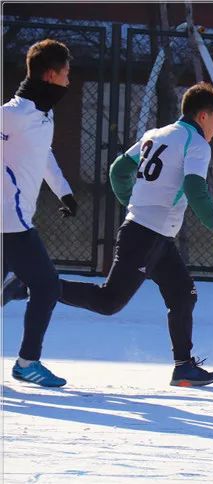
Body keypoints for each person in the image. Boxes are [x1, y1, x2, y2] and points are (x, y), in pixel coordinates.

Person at [57, 82, 213, 387]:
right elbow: (194, 188)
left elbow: (117, 170)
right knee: (108, 302)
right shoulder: (198, 143)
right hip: (147, 235)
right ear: (203, 116)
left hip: (154, 235)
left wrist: (133, 202)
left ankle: (183, 367)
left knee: (183, 293)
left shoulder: (156, 134)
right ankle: (37, 285)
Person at [2, 39, 79, 387]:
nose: (68, 80)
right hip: (9, 222)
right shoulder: (13, 114)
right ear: (50, 75)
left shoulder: (44, 115)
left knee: (26, 286)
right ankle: (26, 363)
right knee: (47, 286)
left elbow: (43, 155)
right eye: (65, 74)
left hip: (15, 220)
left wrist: (64, 191)